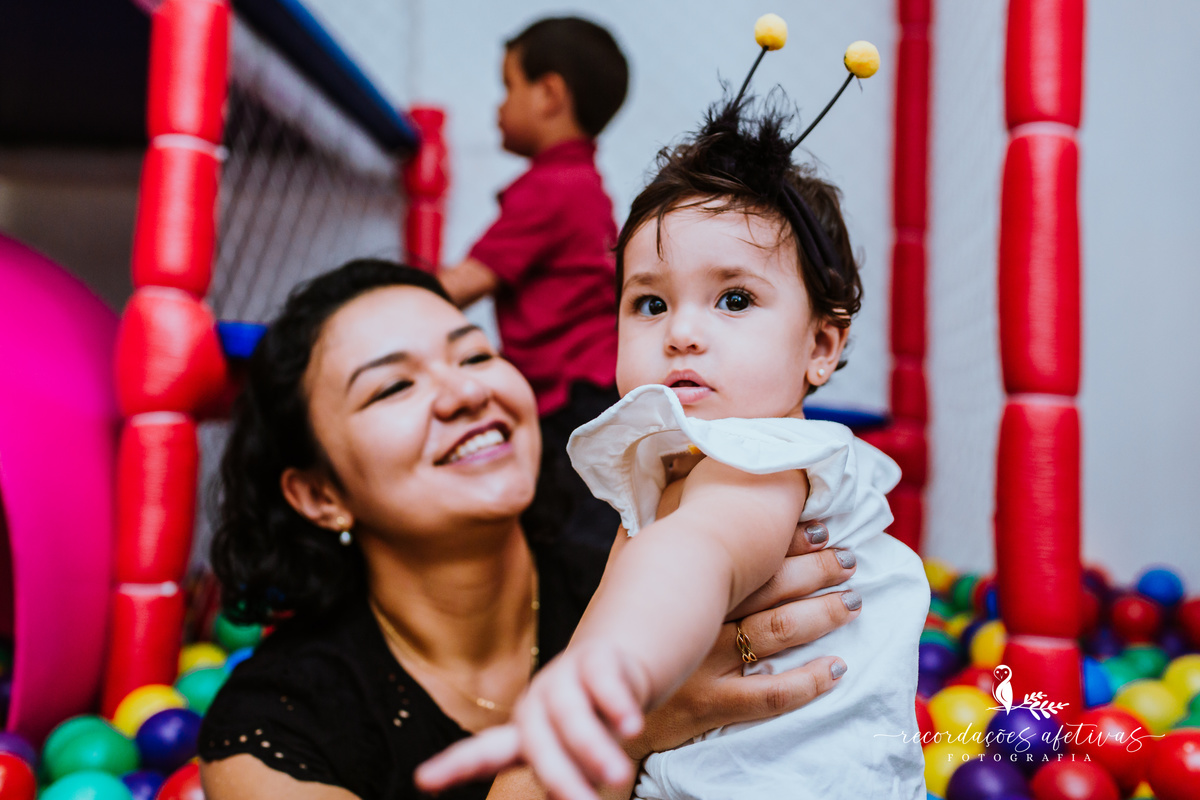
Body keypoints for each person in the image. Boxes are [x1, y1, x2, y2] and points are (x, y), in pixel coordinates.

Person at [197, 259, 867, 800]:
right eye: (393, 388)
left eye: (475, 355)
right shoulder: (272, 728)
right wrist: (620, 734)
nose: (465, 393)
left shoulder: (643, 582)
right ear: (319, 494)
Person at [416, 97, 930, 800]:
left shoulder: (760, 457)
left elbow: (701, 552)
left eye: (735, 300)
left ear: (820, 345)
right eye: (649, 304)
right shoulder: (702, 463)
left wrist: (608, 675)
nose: (681, 332)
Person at [433, 17, 629, 557]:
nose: (499, 106)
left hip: (572, 404)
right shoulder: (584, 184)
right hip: (592, 397)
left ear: (548, 95)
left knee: (563, 543)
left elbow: (460, 286)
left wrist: (372, 299)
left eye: (508, 86)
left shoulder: (552, 189)